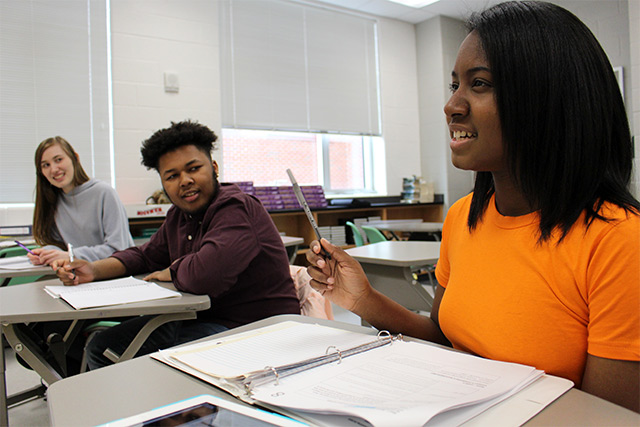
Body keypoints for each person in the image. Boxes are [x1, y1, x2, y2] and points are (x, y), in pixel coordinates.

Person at [306, 1, 639, 413]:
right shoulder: (464, 216)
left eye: (479, 84)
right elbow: (444, 337)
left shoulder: (620, 240)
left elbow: (609, 419)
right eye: (454, 86)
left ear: (546, 98)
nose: (452, 106)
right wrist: (362, 300)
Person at [54, 120, 300, 369]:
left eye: (193, 168)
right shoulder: (179, 216)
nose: (184, 180)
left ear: (214, 167)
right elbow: (144, 256)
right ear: (163, 185)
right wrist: (94, 270)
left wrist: (172, 269)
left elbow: (206, 275)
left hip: (257, 329)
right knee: (103, 347)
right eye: (172, 176)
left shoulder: (236, 208)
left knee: (145, 361)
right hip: (200, 318)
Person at [29, 136, 134, 265]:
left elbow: (118, 249)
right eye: (46, 165)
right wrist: (47, 253)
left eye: (59, 160)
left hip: (116, 275)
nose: (54, 169)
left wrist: (72, 255)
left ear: (75, 158)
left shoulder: (104, 193)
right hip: (80, 276)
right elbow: (59, 246)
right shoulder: (53, 201)